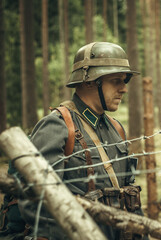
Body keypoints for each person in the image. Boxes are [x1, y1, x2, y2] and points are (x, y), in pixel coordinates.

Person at [16, 42, 147, 239]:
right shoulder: (58, 126)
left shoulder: (116, 129)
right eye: (116, 81)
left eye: (124, 81)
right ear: (89, 82)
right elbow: (36, 203)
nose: (124, 89)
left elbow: (130, 198)